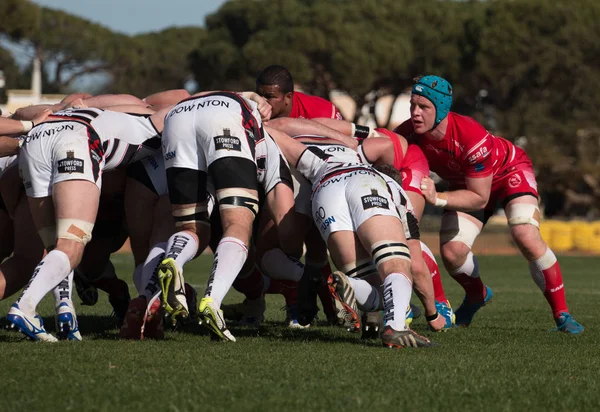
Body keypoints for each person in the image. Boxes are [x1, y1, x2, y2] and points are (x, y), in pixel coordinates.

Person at [394, 75, 583, 333]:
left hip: (508, 173)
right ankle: (477, 295)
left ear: (441, 109)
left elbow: (480, 198)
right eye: (412, 105)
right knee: (452, 253)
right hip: (468, 185)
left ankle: (562, 314)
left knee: (524, 233)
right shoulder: (408, 133)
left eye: (424, 107)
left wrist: (437, 198)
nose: (415, 113)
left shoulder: (469, 134)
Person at [7, 106, 169, 342]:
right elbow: (176, 106)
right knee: (73, 242)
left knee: (56, 246)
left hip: (36, 140)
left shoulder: (94, 106)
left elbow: (24, 111)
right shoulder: (158, 118)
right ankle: (25, 307)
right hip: (77, 138)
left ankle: (65, 310)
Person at [269, 127, 435, 348]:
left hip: (324, 192)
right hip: (365, 183)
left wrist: (253, 114)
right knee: (396, 263)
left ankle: (349, 285)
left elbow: (278, 136)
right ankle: (396, 328)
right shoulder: (384, 177)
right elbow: (416, 265)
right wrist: (433, 314)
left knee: (370, 283)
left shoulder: (320, 157)